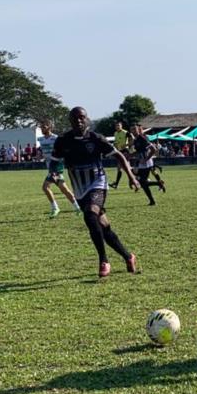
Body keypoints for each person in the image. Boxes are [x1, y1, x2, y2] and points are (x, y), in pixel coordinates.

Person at [52, 107, 140, 277]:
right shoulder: (63, 140)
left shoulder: (96, 138)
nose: (79, 120)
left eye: (82, 117)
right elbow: (55, 161)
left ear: (87, 119)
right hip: (79, 189)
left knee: (90, 216)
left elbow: (119, 156)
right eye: (75, 118)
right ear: (70, 121)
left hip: (97, 184)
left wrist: (131, 177)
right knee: (103, 226)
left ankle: (103, 260)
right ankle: (128, 256)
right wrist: (54, 172)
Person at [38, 120, 81, 218]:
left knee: (45, 187)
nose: (42, 129)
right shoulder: (41, 139)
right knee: (64, 189)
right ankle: (78, 208)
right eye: (41, 127)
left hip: (57, 166)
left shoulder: (56, 138)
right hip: (50, 166)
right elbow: (44, 152)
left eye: (44, 127)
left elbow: (63, 150)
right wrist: (41, 156)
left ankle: (55, 208)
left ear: (49, 127)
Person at [131, 124, 166, 205]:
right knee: (142, 182)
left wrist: (146, 159)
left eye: (135, 129)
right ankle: (152, 200)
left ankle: (158, 185)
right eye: (132, 130)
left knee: (142, 182)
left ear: (138, 130)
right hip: (141, 163)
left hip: (146, 163)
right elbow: (139, 151)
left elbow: (153, 149)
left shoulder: (142, 138)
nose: (134, 131)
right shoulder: (136, 140)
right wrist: (130, 155)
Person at [109, 121, 134, 189]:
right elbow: (116, 142)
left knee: (123, 167)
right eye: (116, 125)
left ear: (121, 126)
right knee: (123, 168)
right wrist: (115, 145)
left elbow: (132, 139)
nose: (117, 127)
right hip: (119, 151)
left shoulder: (125, 132)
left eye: (119, 125)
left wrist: (126, 145)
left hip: (125, 151)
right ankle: (132, 180)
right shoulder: (115, 133)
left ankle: (132, 181)